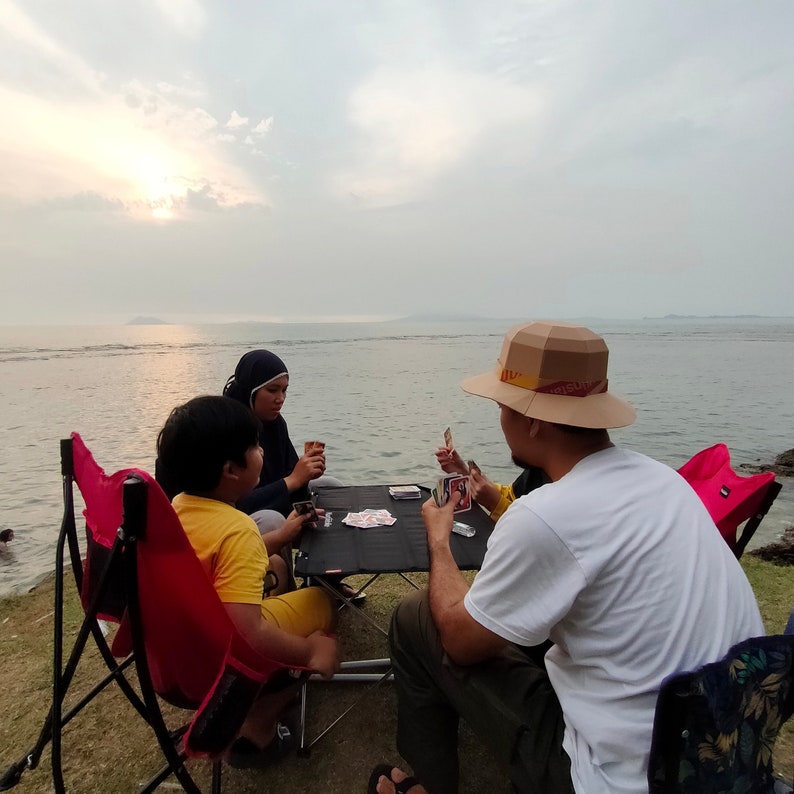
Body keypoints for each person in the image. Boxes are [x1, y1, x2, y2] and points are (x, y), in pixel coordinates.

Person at [389, 320, 764, 794]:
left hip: (616, 778)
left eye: (502, 406)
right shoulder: (664, 481)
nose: (500, 419)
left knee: (416, 618)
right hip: (719, 755)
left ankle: (430, 785)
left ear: (533, 419)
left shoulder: (545, 515)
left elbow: (460, 642)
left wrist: (439, 541)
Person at [156, 395, 340, 767]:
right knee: (321, 603)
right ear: (231, 470)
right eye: (254, 446)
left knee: (275, 563)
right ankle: (257, 726)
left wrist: (282, 534)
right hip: (218, 667)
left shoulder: (177, 510)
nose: (261, 452)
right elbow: (248, 634)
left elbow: (216, 557)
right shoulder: (236, 529)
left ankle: (266, 689)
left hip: (172, 663)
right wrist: (310, 653)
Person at [223, 349, 364, 602]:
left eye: (284, 390)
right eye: (273, 390)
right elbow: (235, 504)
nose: (281, 399)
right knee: (272, 519)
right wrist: (293, 480)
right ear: (251, 390)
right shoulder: (229, 430)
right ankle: (288, 594)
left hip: (277, 501)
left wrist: (307, 474)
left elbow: (293, 479)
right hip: (239, 518)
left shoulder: (276, 423)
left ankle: (325, 582)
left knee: (330, 486)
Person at [434, 446, 548, 521]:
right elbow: (513, 495)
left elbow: (533, 534)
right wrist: (467, 476)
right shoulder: (543, 468)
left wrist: (495, 504)